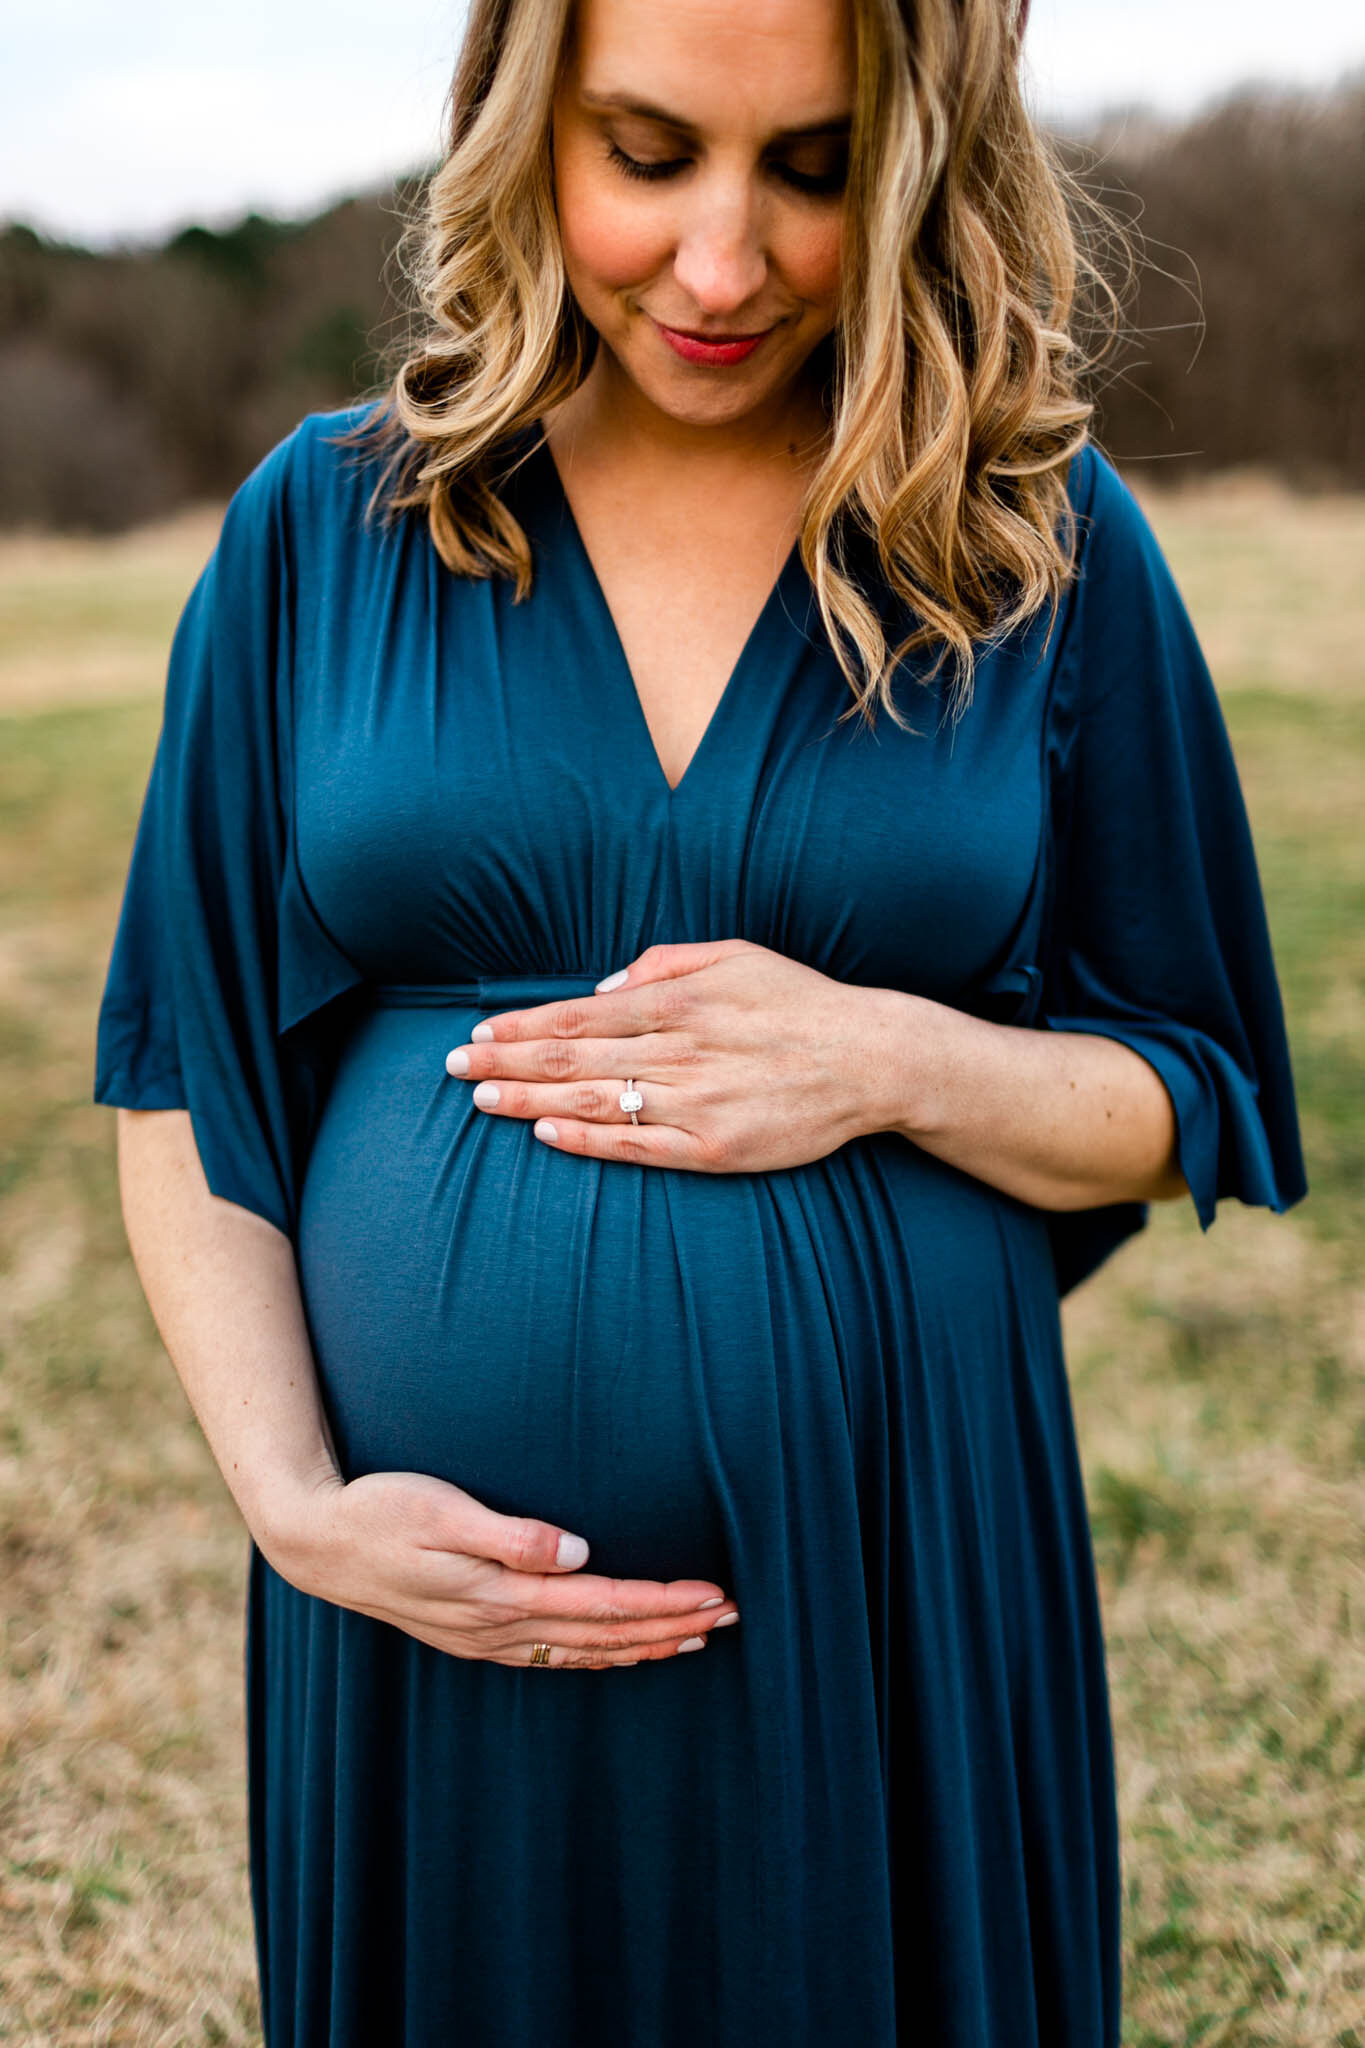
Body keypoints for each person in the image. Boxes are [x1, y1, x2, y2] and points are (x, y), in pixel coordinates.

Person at [93, 0, 1308, 2041]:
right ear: (517, 126)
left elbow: (1186, 1090)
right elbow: (180, 1075)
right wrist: (295, 1503)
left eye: (814, 169)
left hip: (889, 1577)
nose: (724, 262)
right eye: (645, 153)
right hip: (428, 1613)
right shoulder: (322, 527)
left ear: (920, 168)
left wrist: (892, 1058)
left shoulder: (1038, 544)